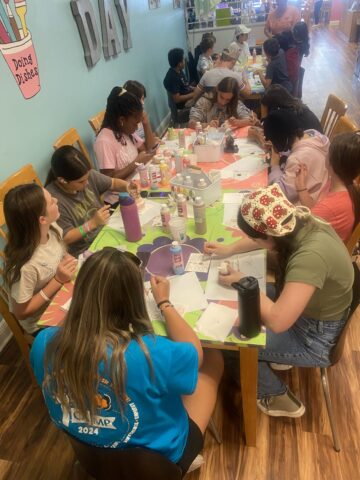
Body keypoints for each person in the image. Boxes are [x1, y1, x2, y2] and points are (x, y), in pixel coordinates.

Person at [30, 248, 223, 474]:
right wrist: (164, 303)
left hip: (89, 452)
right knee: (213, 359)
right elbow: (195, 352)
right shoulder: (151, 353)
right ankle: (187, 458)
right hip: (158, 461)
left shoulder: (43, 342)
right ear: (134, 299)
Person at [204, 184, 353, 417]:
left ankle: (274, 394)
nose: (255, 242)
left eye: (256, 238)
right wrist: (230, 249)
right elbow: (263, 238)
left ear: (267, 236)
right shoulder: (300, 219)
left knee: (231, 344)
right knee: (254, 300)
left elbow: (278, 321)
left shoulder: (310, 256)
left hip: (313, 338)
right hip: (313, 315)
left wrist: (242, 280)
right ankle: (276, 358)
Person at [3, 184, 77, 335]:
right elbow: (21, 312)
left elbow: (58, 252)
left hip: (64, 296)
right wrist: (57, 280)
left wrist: (66, 259)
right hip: (42, 323)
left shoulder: (52, 228)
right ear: (42, 219)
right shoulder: (25, 267)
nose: (56, 200)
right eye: (51, 202)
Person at [45, 146, 130, 257]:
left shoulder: (86, 175)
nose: (87, 183)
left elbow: (113, 183)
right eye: (81, 182)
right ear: (62, 180)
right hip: (87, 250)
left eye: (87, 177)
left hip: (106, 230)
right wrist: (92, 223)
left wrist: (128, 187)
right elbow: (66, 237)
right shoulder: (53, 201)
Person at [295, 132, 360, 242]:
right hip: (318, 237)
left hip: (317, 248)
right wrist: (301, 186)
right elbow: (315, 211)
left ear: (332, 161)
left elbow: (300, 232)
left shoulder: (332, 206)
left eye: (328, 151)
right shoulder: (340, 182)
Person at [94, 87, 156, 189]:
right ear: (121, 120)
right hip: (121, 195)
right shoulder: (104, 141)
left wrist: (146, 122)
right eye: (135, 124)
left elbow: (149, 149)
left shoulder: (124, 130)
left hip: (137, 183)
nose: (136, 128)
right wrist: (136, 163)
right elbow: (108, 181)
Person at [264, 109, 329, 203]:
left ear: (279, 140)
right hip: (322, 191)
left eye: (273, 141)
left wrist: (275, 165)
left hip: (309, 207)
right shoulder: (313, 135)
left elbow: (280, 193)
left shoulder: (298, 158)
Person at [189, 77, 256, 129]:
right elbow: (191, 123)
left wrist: (237, 122)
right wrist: (207, 125)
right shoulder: (205, 101)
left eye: (228, 100)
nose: (223, 102)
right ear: (217, 89)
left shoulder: (235, 103)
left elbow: (251, 120)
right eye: (221, 97)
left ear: (233, 98)